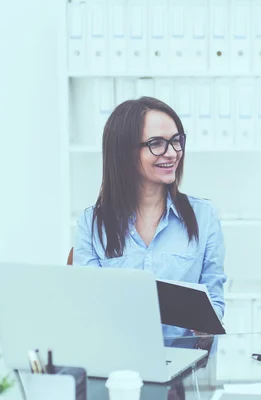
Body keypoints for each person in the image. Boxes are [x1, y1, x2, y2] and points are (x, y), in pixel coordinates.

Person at [73, 96, 227, 338]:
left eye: (177, 141)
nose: (172, 153)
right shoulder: (91, 224)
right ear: (124, 151)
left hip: (185, 365)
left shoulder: (204, 217)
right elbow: (88, 308)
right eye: (157, 143)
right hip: (119, 365)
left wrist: (205, 323)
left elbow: (215, 303)